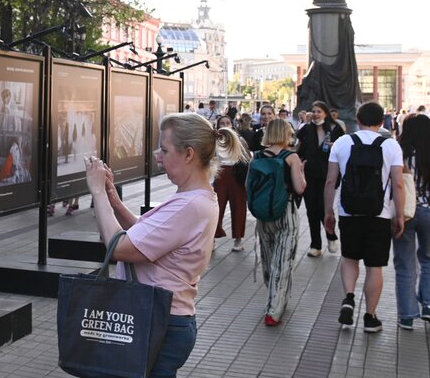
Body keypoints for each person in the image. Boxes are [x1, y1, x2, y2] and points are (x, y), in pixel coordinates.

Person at [84, 112, 245, 377]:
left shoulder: (189, 205)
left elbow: (120, 248)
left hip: (160, 322)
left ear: (188, 154)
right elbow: (145, 233)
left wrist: (98, 192)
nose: (158, 155)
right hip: (163, 319)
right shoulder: (195, 197)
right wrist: (114, 201)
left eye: (165, 149)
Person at [324, 101, 405, 333]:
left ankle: (349, 297)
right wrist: (399, 215)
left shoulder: (342, 142)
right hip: (380, 213)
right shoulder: (391, 145)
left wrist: (328, 212)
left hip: (348, 211)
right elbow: (398, 184)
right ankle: (370, 317)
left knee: (350, 258)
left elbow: (330, 181)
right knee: (374, 266)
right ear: (382, 121)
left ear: (357, 120)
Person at [252, 119, 307, 326]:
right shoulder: (291, 157)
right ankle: (274, 310)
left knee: (268, 259)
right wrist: (301, 172)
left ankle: (277, 297)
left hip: (263, 215)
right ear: (285, 134)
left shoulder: (257, 156)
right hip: (286, 213)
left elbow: (250, 186)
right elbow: (300, 188)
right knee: (283, 261)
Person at [392, 113, 430, 330]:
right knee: (428, 259)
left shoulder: (399, 152)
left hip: (405, 211)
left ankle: (407, 315)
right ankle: (428, 304)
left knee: (405, 263)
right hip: (429, 211)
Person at [296, 101, 344, 257]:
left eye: (319, 111)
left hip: (327, 174)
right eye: (314, 111)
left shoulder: (335, 129)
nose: (316, 114)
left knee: (324, 208)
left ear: (325, 113)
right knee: (311, 209)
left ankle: (331, 235)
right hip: (309, 174)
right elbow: (299, 149)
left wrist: (334, 146)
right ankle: (315, 245)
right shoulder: (305, 129)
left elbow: (344, 150)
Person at [213, 115, 251, 251]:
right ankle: (212, 238)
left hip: (236, 174)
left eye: (227, 123)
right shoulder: (213, 140)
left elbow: (248, 157)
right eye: (222, 123)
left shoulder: (239, 139)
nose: (225, 125)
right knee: (216, 207)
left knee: (239, 206)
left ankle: (238, 238)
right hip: (220, 173)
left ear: (232, 124)